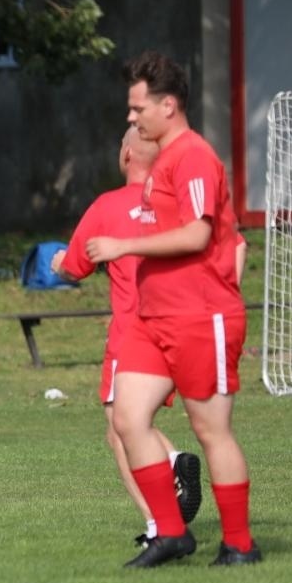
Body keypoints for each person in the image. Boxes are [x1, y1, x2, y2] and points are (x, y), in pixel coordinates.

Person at [86, 52, 261, 568]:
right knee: (126, 419)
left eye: (138, 107)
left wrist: (122, 246)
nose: (131, 116)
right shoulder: (162, 161)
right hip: (152, 319)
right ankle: (169, 533)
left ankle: (240, 545)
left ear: (168, 105)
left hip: (200, 316)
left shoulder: (193, 157)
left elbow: (197, 234)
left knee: (210, 431)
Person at [52, 128, 205, 545]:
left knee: (120, 429)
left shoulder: (109, 206)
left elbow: (75, 268)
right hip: (181, 328)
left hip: (132, 333)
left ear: (126, 156)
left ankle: (162, 517)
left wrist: (59, 262)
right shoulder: (177, 205)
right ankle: (172, 477)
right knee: (136, 422)